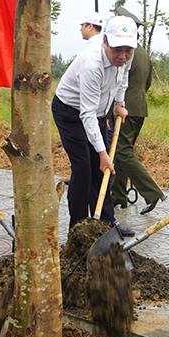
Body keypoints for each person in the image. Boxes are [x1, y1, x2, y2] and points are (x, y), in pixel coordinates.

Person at [52, 16, 137, 236]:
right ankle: (79, 228)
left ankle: (106, 222)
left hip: (97, 111)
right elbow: (86, 114)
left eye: (128, 50)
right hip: (70, 111)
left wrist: (119, 104)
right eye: (118, 49)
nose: (123, 56)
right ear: (105, 42)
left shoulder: (126, 58)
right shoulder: (92, 64)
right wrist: (102, 153)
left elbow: (123, 79)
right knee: (83, 167)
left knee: (102, 170)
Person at [109, 8, 166, 214]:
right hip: (140, 107)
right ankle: (119, 196)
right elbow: (148, 82)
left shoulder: (124, 54)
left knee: (122, 151)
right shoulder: (143, 52)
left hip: (125, 107)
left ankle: (152, 193)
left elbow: (116, 81)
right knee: (119, 152)